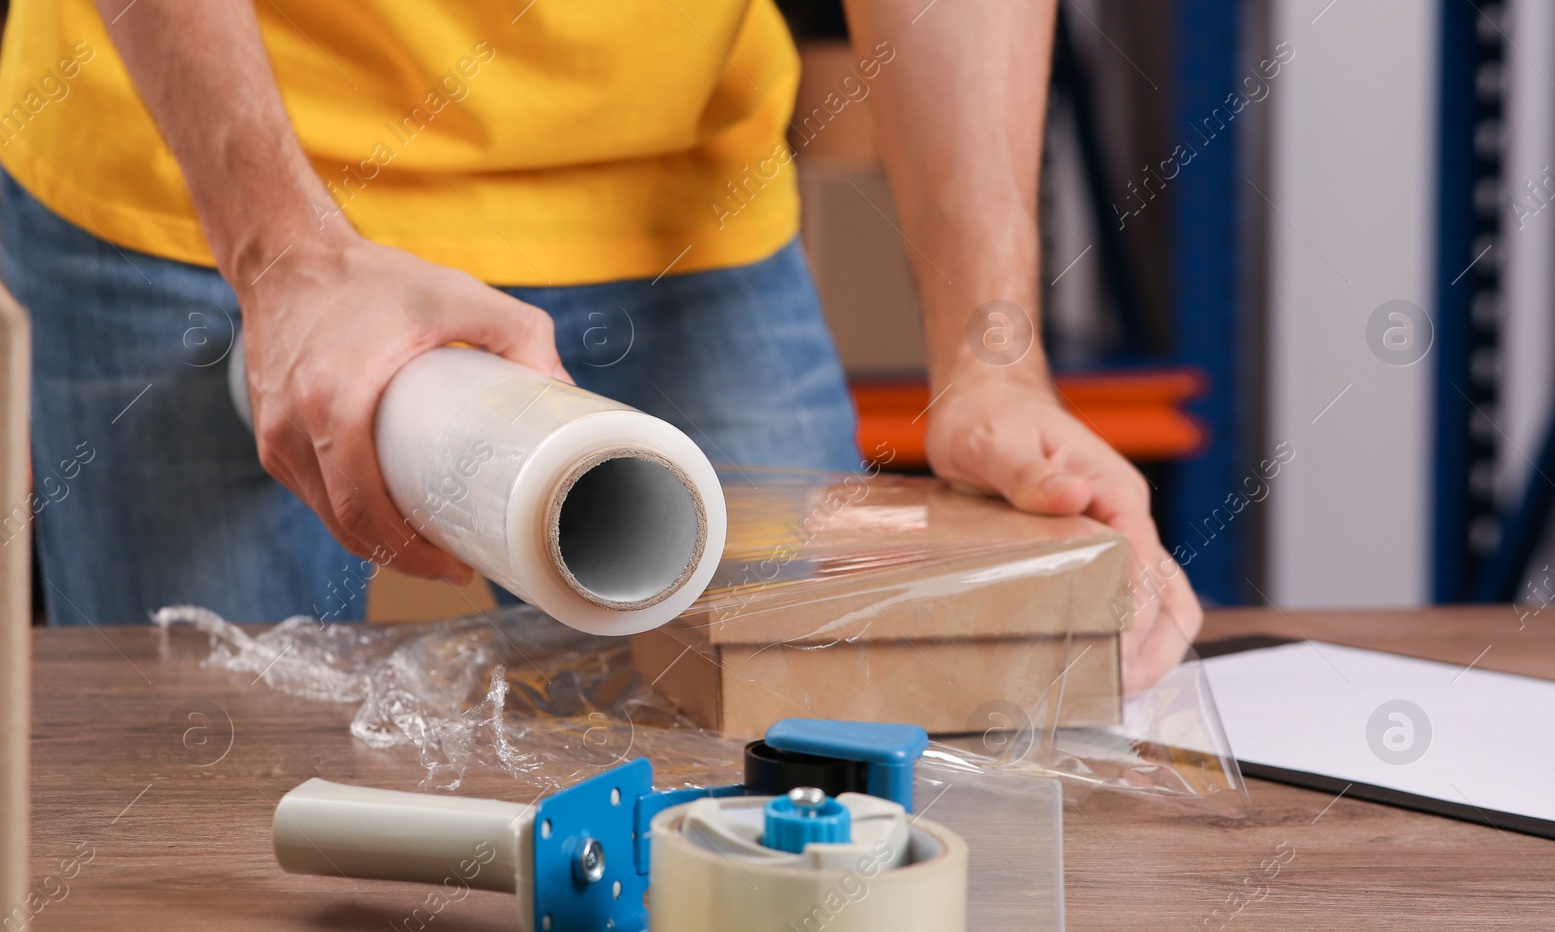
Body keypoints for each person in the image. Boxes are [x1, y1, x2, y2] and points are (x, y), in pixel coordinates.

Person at [0, 0, 1198, 679]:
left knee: (817, 767)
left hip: (674, 191)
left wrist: (990, 357)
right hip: (210, 171)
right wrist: (281, 257)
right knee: (215, 824)